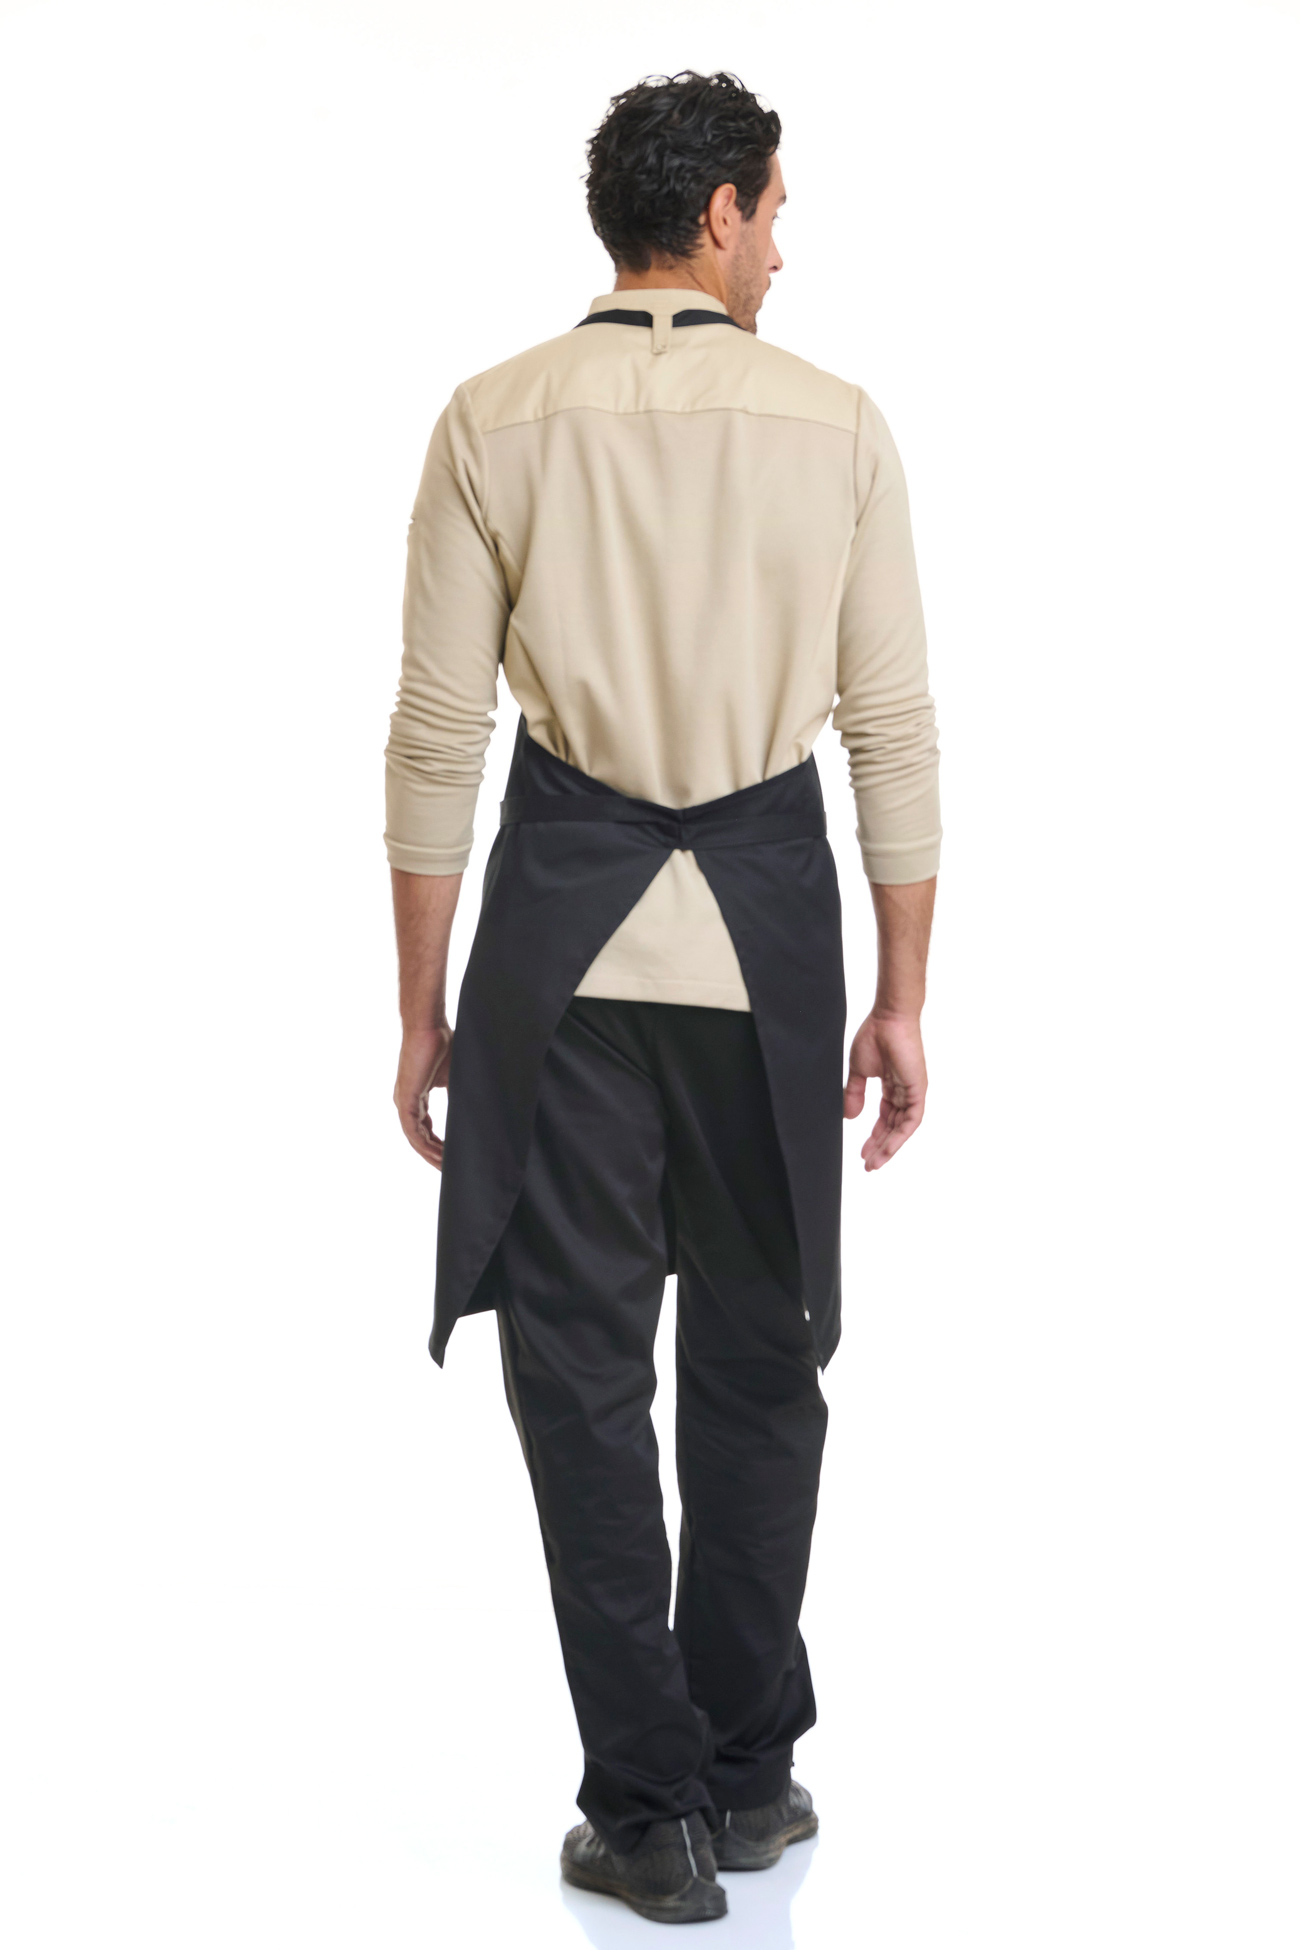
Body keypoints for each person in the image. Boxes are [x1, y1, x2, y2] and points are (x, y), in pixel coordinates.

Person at [384, 69, 940, 1926]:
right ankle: (749, 1773)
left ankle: (648, 1809)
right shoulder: (836, 426)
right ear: (717, 216)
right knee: (763, 1366)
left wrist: (420, 1006)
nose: (784, 245)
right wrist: (905, 993)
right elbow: (893, 734)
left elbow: (437, 738)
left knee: (581, 1380)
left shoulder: (491, 418)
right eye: (776, 212)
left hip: (563, 960)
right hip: (768, 952)